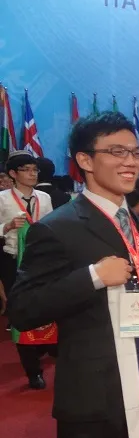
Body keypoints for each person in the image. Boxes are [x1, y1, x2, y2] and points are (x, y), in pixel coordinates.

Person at [7, 111, 139, 438]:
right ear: (85, 160)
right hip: (92, 398)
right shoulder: (57, 227)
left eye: (135, 152)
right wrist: (92, 276)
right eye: (117, 152)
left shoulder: (138, 225)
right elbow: (23, 309)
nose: (131, 162)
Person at [0, 151, 55, 388]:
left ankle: (46, 346)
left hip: (42, 261)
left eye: (35, 170)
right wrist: (7, 226)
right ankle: (33, 371)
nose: (32, 174)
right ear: (13, 174)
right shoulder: (3, 199)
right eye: (26, 170)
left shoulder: (44, 197)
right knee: (20, 314)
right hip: (13, 261)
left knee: (47, 308)